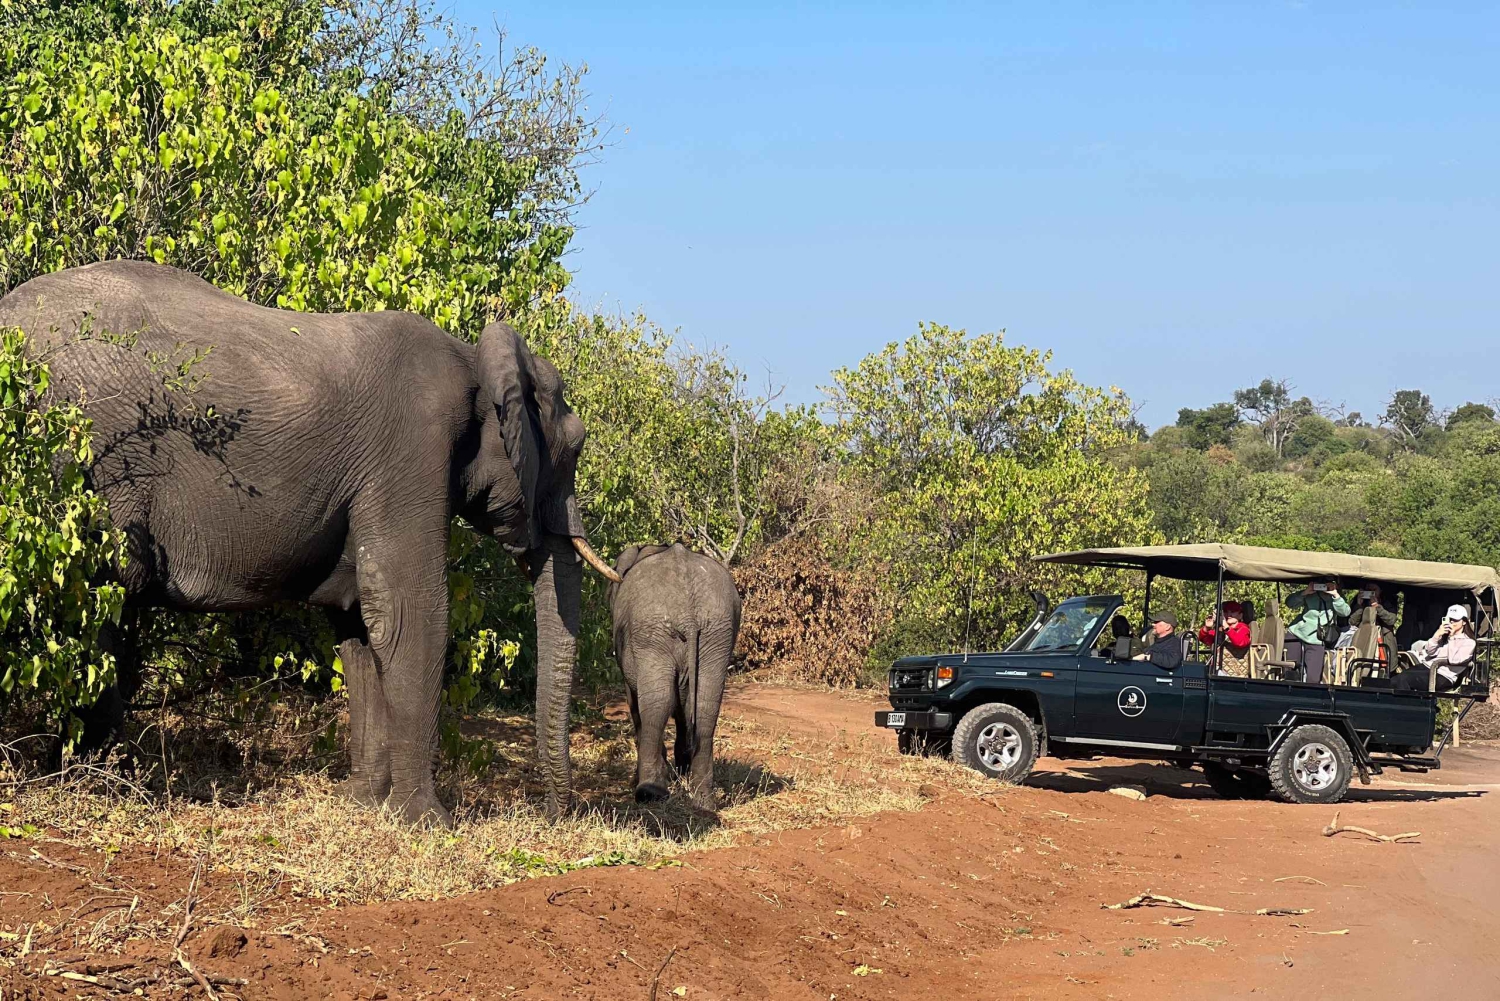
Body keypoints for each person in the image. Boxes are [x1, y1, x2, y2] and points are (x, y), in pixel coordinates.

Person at [1393, 605, 1476, 692]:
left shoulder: (1469, 642)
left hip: (1443, 675)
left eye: (1455, 620)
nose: (1452, 622)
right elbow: (1430, 651)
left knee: (1404, 679)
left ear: (1464, 622)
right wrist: (1437, 634)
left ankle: (1407, 700)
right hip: (1427, 667)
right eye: (1450, 619)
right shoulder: (1444, 637)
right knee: (1395, 679)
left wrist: (1452, 637)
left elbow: (1453, 660)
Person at [1284, 580, 1350, 684]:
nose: (1324, 586)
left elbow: (1345, 612)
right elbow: (1289, 603)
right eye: (1322, 583)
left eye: (1329, 583)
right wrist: (1305, 592)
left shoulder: (1336, 597)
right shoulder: (1311, 593)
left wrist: (1335, 595)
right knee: (1291, 673)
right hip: (1297, 634)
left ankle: (1309, 694)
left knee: (1313, 678)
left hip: (1318, 639)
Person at [1346, 582, 1398, 666]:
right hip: (1364, 638)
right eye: (1368, 590)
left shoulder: (1388, 602)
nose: (1371, 593)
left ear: (1380, 590)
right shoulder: (1361, 602)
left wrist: (1377, 607)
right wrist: (1359, 605)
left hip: (1384, 639)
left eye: (1374, 590)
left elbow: (1391, 620)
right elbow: (1352, 622)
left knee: (1385, 666)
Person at [1199, 601, 1252, 677]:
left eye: (1233, 612)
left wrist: (1226, 626)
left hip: (1235, 674)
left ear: (1240, 615)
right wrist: (1207, 628)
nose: (1229, 615)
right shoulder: (1220, 630)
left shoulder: (1243, 628)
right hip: (1218, 671)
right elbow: (1204, 639)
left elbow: (1240, 642)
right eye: (1226, 611)